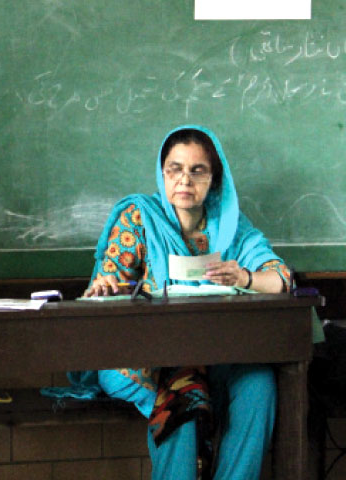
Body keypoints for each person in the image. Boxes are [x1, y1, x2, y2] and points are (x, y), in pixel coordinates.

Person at [83, 125, 292, 480]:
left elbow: (281, 278)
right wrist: (105, 286)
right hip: (146, 355)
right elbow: (108, 282)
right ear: (162, 174)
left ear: (214, 179)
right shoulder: (140, 218)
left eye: (198, 171)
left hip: (215, 350)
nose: (185, 180)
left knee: (258, 383)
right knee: (183, 399)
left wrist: (246, 277)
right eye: (175, 169)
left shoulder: (230, 226)